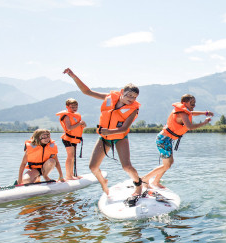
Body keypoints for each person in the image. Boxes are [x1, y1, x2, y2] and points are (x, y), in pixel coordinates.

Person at [63, 68, 143, 202]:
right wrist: (73, 76)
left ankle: (138, 185)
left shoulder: (133, 110)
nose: (131, 99)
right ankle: (103, 182)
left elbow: (124, 129)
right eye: (129, 95)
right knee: (93, 167)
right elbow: (87, 91)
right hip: (104, 138)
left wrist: (110, 131)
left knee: (126, 166)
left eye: (134, 97)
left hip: (119, 138)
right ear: (122, 92)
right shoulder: (109, 98)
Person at [141, 94, 213, 188]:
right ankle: (145, 179)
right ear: (184, 103)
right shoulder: (182, 113)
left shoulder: (185, 111)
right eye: (192, 103)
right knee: (167, 165)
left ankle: (155, 181)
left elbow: (192, 113)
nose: (194, 105)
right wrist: (204, 123)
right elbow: (189, 127)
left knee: (169, 163)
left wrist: (205, 113)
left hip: (167, 139)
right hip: (163, 139)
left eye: (194, 103)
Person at [55, 98, 87, 180]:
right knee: (70, 156)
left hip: (74, 139)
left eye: (76, 106)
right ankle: (68, 176)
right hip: (68, 138)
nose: (74, 108)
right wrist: (79, 123)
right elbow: (69, 128)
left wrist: (83, 124)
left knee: (73, 157)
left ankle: (72, 175)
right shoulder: (66, 116)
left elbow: (83, 126)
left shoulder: (77, 116)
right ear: (67, 107)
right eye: (72, 107)